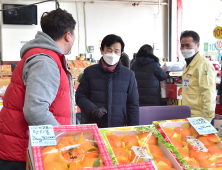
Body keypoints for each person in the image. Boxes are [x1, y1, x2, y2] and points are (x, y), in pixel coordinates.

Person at [0, 9, 76, 170]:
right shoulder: (45, 61)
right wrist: (65, 137)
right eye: (74, 35)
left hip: (23, 146)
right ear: (68, 35)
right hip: (21, 152)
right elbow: (36, 110)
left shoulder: (44, 56)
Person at [76, 34, 139, 128]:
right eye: (109, 50)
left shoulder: (128, 75)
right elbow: (80, 96)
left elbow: (133, 104)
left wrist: (133, 128)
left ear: (121, 53)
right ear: (102, 50)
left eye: (116, 51)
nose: (112, 54)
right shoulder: (90, 72)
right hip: (94, 125)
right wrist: (92, 109)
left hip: (118, 126)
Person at [181, 30, 216, 122]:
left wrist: (207, 120)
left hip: (200, 118)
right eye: (182, 45)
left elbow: (208, 94)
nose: (184, 48)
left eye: (188, 45)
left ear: (198, 45)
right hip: (189, 114)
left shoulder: (203, 65)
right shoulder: (188, 63)